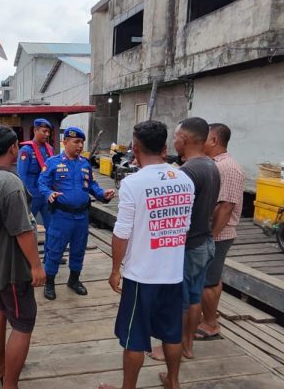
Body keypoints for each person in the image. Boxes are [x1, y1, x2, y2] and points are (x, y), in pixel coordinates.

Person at [100, 120, 194, 389]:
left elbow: (122, 233)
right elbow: (184, 228)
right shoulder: (184, 180)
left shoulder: (133, 183)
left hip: (142, 276)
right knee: (171, 334)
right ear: (164, 147)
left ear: (135, 147)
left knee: (134, 339)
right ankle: (173, 381)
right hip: (173, 274)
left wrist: (115, 269)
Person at [0, 125, 46, 389]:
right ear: (13, 148)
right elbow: (23, 231)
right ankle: (11, 384)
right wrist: (36, 266)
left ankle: (0, 367)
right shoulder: (10, 184)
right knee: (23, 322)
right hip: (12, 269)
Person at [149, 117, 219, 362]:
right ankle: (188, 345)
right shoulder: (211, 166)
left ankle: (174, 346)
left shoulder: (188, 172)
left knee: (180, 301)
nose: (174, 142)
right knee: (195, 296)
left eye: (177, 138)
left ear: (186, 140)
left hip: (189, 246)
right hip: (205, 242)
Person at [38, 126, 115, 300]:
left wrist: (103, 195)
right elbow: (41, 183)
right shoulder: (53, 163)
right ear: (65, 142)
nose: (80, 146)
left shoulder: (85, 164)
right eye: (76, 142)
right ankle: (49, 282)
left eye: (82, 142)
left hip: (81, 217)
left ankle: (74, 280)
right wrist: (49, 193)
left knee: (78, 250)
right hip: (61, 217)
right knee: (55, 250)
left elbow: (92, 186)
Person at [197, 123, 244, 340]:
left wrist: (211, 237)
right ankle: (206, 317)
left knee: (209, 281)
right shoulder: (214, 165)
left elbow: (226, 207)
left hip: (218, 235)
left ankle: (210, 324)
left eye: (203, 138)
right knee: (210, 278)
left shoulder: (228, 168)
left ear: (214, 141)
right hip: (210, 234)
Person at [17, 118, 55, 229]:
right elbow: (21, 175)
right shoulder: (26, 150)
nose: (47, 134)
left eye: (48, 132)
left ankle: (50, 247)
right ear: (35, 130)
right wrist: (23, 196)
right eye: (44, 131)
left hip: (46, 194)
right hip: (31, 194)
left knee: (51, 225)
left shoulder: (50, 149)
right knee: (26, 225)